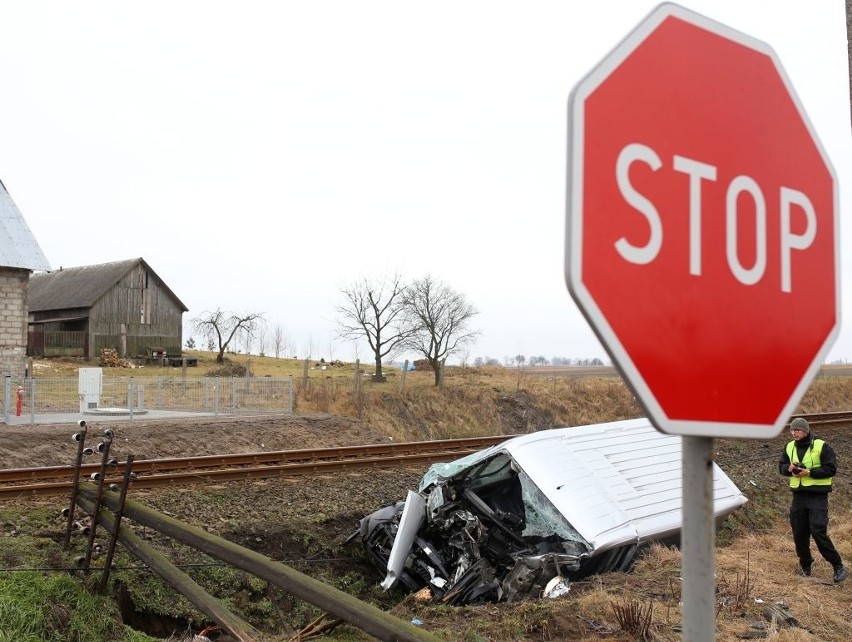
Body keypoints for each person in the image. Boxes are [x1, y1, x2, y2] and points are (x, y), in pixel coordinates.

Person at [779, 417, 847, 583]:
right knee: (799, 533)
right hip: (799, 496)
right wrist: (789, 469)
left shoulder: (822, 446)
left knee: (817, 530)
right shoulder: (789, 447)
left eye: (798, 430)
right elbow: (781, 466)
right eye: (792, 430)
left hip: (817, 496)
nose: (794, 433)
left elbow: (831, 469)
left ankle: (838, 566)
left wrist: (809, 472)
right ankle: (805, 566)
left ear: (806, 430)